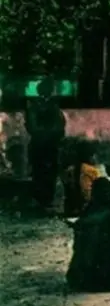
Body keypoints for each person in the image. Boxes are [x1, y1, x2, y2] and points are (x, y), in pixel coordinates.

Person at [25, 77, 66, 210]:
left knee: (44, 172)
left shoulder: (35, 105)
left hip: (44, 144)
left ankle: (44, 199)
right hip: (45, 144)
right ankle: (43, 199)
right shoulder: (42, 105)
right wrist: (50, 135)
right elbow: (58, 125)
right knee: (43, 172)